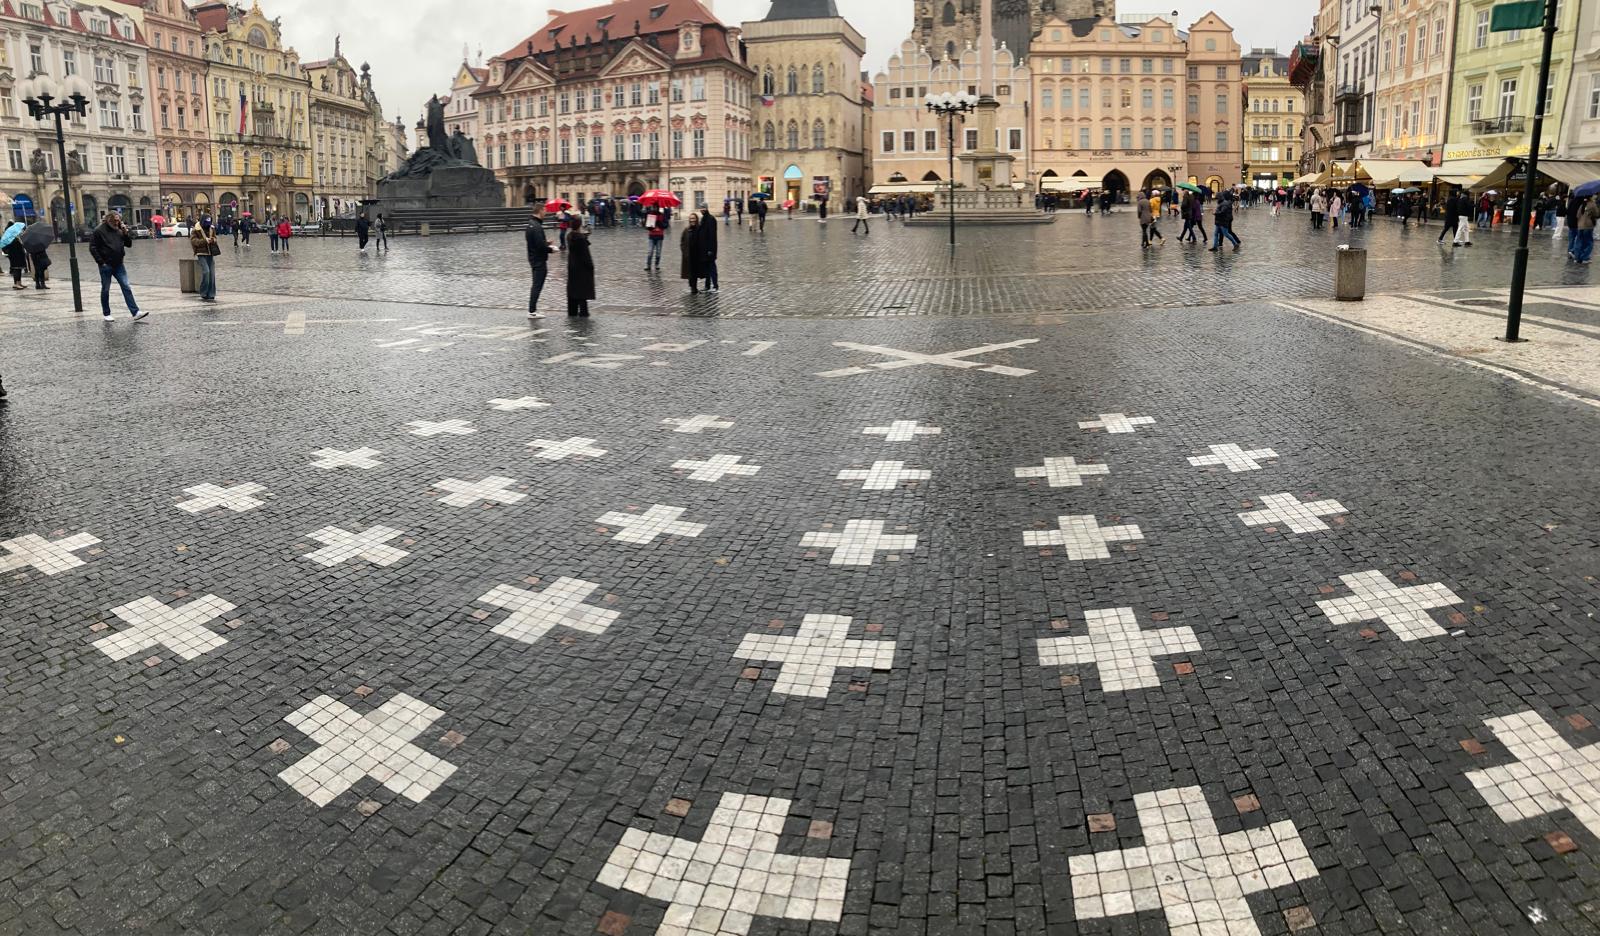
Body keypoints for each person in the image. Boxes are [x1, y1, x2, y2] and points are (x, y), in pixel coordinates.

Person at [89, 211, 144, 321]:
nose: (117, 222)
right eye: (115, 220)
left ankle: (135, 312)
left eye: (118, 220)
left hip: (119, 264)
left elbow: (129, 244)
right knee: (106, 289)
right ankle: (106, 313)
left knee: (126, 286)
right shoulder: (99, 231)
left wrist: (125, 232)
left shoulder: (119, 230)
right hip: (106, 264)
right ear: (109, 219)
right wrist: (101, 262)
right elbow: (93, 247)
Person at [525, 204, 552, 317]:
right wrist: (551, 249)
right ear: (540, 210)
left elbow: (536, 244)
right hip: (539, 260)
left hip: (534, 258)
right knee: (537, 285)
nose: (545, 213)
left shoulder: (531, 224)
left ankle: (532, 310)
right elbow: (540, 246)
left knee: (536, 285)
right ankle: (532, 311)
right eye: (545, 211)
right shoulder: (536, 226)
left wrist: (546, 243)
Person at [566, 225, 595, 316]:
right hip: (582, 268)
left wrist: (584, 236)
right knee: (582, 290)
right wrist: (591, 266)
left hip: (572, 266)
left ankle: (572, 311)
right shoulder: (581, 239)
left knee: (573, 289)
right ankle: (583, 311)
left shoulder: (570, 236)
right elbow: (586, 256)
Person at [189, 218, 219, 302]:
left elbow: (215, 238)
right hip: (201, 253)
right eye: (206, 223)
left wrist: (212, 240)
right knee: (206, 271)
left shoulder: (211, 228)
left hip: (210, 253)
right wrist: (205, 241)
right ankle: (203, 292)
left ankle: (211, 294)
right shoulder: (195, 230)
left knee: (212, 274)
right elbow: (194, 241)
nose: (208, 225)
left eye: (209, 223)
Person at [696, 207, 719, 291]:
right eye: (700, 209)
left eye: (703, 209)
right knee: (706, 268)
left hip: (710, 249)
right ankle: (707, 285)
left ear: (706, 209)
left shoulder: (711, 219)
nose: (701, 210)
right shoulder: (703, 219)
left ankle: (715, 285)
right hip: (703, 249)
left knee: (712, 268)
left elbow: (712, 236)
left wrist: (711, 249)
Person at [0, 220, 26, 290]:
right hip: (15, 256)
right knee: (16, 269)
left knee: (19, 269)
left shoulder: (16, 238)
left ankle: (19, 283)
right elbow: (11, 248)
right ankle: (16, 284)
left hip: (18, 256)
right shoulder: (12, 239)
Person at [1574, 195, 1600, 263]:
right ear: (1591, 197)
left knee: (1579, 242)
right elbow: (1597, 214)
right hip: (1588, 225)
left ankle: (1577, 258)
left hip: (1580, 225)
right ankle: (1585, 258)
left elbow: (1577, 215)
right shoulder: (1592, 204)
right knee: (1588, 242)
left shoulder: (1582, 204)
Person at [681, 212, 701, 294]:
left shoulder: (699, 229)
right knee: (690, 271)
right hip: (689, 254)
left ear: (696, 219)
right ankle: (692, 286)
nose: (692, 220)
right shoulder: (686, 230)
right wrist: (684, 250)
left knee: (695, 272)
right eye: (691, 218)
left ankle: (694, 287)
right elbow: (682, 241)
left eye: (694, 218)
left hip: (697, 254)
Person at [644, 204, 667, 271]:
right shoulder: (650, 215)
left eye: (656, 207)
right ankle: (648, 265)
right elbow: (647, 227)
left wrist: (659, 223)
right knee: (650, 251)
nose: (655, 208)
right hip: (652, 236)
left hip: (659, 236)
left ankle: (657, 264)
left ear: (658, 208)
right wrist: (652, 227)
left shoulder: (662, 215)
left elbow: (666, 225)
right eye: (654, 207)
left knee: (658, 252)